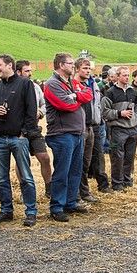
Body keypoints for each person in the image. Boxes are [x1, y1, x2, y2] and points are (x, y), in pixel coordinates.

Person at [0, 54, 39, 226]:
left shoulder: (25, 84)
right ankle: (6, 210)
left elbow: (32, 111)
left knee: (26, 177)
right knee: (1, 178)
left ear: (10, 65)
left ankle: (31, 212)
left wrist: (24, 133)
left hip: (18, 138)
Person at [43, 52, 93, 222]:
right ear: (61, 65)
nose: (73, 66)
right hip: (62, 134)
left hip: (77, 133)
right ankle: (57, 207)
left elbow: (88, 95)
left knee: (75, 171)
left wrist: (75, 95)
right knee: (62, 172)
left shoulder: (71, 82)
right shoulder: (52, 84)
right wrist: (78, 97)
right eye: (70, 63)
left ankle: (70, 202)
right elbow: (66, 105)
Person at [16, 60, 53, 199]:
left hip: (34, 128)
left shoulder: (35, 87)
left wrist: (40, 112)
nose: (30, 73)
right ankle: (24, 191)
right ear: (18, 72)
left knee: (45, 158)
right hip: (19, 130)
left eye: (30, 70)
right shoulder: (13, 88)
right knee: (22, 162)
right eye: (27, 71)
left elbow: (44, 104)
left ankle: (49, 189)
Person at [101, 65, 137, 191]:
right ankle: (117, 183)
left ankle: (127, 180)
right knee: (117, 157)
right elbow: (104, 112)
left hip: (132, 129)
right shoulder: (110, 92)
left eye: (128, 75)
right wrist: (119, 113)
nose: (127, 77)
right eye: (124, 75)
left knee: (130, 156)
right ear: (117, 77)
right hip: (118, 129)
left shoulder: (133, 92)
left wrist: (136, 121)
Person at [75, 57, 102, 204]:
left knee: (86, 163)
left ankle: (84, 191)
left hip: (91, 126)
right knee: (77, 163)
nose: (88, 71)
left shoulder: (90, 84)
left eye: (89, 69)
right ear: (77, 69)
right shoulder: (73, 85)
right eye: (85, 68)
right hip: (79, 127)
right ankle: (76, 194)